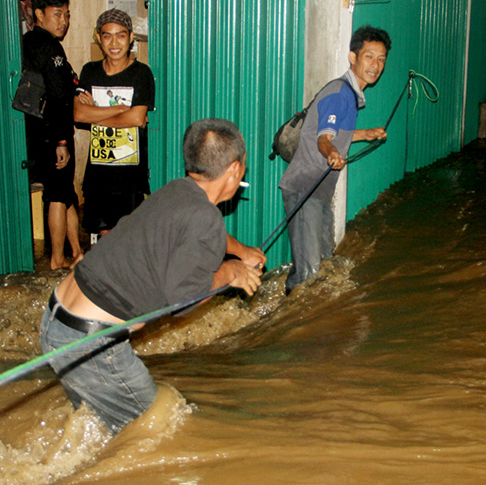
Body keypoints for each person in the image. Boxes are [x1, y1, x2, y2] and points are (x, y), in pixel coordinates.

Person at [39, 118, 265, 432]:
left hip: (56, 321)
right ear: (234, 170)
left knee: (97, 431)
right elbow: (183, 299)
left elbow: (202, 231)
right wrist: (231, 272)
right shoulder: (205, 218)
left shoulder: (177, 191)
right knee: (160, 429)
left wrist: (242, 251)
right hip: (91, 341)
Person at [278, 25, 390, 294]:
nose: (375, 65)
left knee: (325, 264)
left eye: (381, 59)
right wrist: (331, 154)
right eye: (369, 56)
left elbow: (338, 132)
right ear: (353, 57)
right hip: (305, 188)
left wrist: (366, 134)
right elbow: (324, 138)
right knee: (309, 274)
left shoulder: (350, 95)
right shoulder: (340, 94)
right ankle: (287, 326)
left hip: (318, 192)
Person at [74, 9, 156, 239]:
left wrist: (96, 114)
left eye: (121, 35)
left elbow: (137, 118)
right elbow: (79, 114)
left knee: (128, 234)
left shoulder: (141, 73)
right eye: (107, 35)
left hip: (130, 170)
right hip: (99, 169)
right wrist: (120, 110)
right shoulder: (90, 71)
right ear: (98, 38)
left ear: (131, 38)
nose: (114, 42)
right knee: (104, 235)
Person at [22, 0, 83, 270]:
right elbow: (59, 95)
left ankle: (77, 251)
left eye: (67, 15)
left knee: (67, 192)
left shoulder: (28, 42)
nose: (63, 21)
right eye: (57, 14)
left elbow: (66, 79)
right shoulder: (49, 46)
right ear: (38, 14)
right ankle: (58, 259)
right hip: (53, 132)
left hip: (39, 130)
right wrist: (61, 140)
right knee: (58, 194)